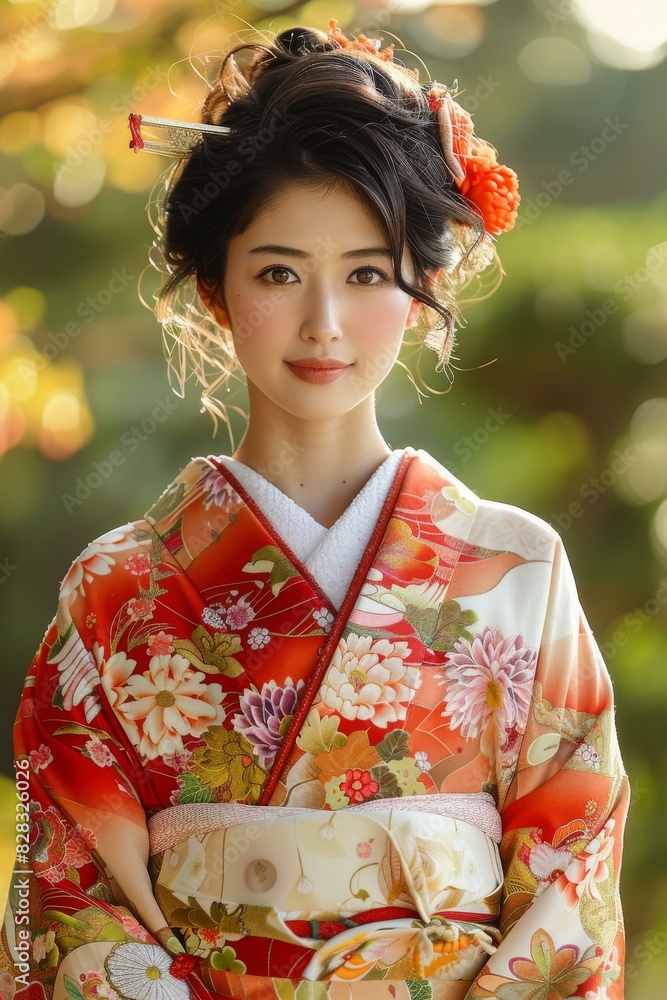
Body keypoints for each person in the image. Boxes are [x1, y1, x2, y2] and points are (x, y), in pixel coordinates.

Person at [0, 17, 629, 1000]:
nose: (324, 324)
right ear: (214, 288)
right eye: (279, 272)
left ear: (421, 292)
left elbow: (572, 875)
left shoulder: (517, 568)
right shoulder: (114, 591)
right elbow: (69, 901)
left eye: (367, 275)